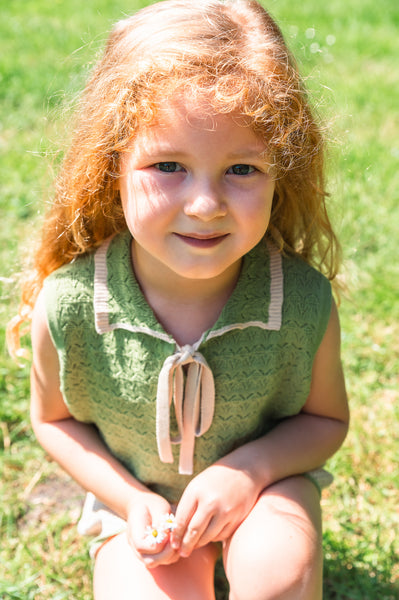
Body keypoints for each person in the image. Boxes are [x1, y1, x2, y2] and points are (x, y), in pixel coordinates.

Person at [8, 1, 349, 598]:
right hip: (141, 508)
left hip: (263, 490)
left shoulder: (298, 300)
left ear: (281, 171)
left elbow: (325, 420)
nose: (204, 204)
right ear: (111, 166)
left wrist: (248, 473)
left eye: (242, 169)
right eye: (168, 165)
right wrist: (132, 500)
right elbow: (53, 421)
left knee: (279, 575)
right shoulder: (72, 304)